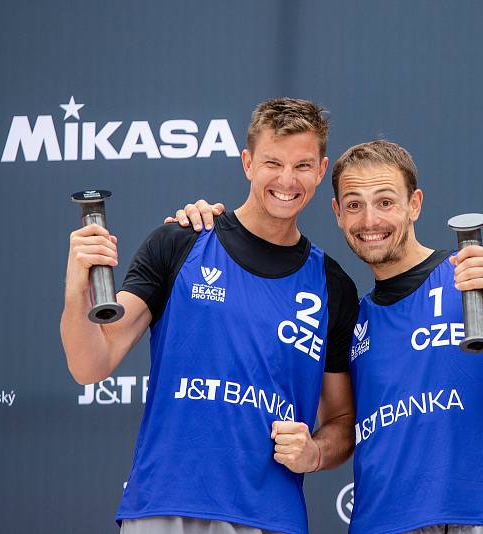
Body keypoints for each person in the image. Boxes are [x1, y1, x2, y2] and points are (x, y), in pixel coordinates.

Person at [172, 139, 483, 533]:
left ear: (415, 204)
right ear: (338, 214)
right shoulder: (349, 318)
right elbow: (338, 422)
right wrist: (205, 228)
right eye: (355, 204)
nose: (370, 220)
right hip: (379, 524)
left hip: (480, 516)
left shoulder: (473, 275)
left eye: (385, 202)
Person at [60, 98, 359, 534]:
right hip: (164, 505)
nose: (287, 180)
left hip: (269, 517)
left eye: (302, 165)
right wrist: (76, 288)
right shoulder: (180, 242)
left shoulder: (332, 285)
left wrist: (314, 452)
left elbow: (342, 422)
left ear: (320, 169)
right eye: (272, 162)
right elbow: (91, 364)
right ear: (247, 162)